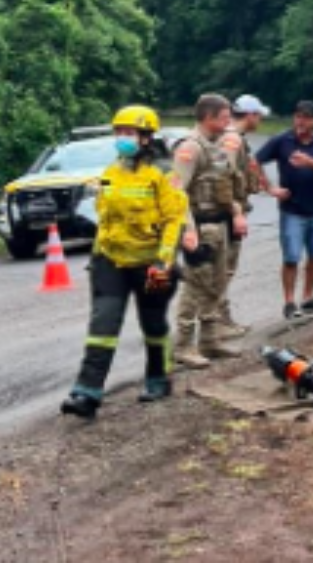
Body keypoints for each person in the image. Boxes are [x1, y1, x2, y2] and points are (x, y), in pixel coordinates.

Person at [61, 105, 194, 419]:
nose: (122, 139)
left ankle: (158, 378)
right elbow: (103, 214)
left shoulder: (164, 174)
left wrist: (164, 261)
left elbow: (174, 219)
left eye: (129, 133)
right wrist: (96, 254)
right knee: (102, 324)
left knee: (153, 324)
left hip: (150, 263)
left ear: (146, 137)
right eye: (118, 133)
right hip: (110, 260)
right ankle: (87, 392)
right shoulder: (110, 173)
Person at [172, 94, 248, 369]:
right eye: (225, 117)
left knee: (216, 285)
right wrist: (188, 231)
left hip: (219, 224)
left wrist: (237, 213)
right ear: (208, 117)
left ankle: (209, 341)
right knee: (195, 285)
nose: (229, 122)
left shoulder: (217, 146)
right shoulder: (190, 148)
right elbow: (176, 192)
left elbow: (225, 185)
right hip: (200, 226)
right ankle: (182, 346)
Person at [255, 101, 313, 320]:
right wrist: (269, 187)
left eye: (306, 117)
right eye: (298, 116)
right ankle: (289, 302)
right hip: (292, 209)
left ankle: (309, 297)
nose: (301, 121)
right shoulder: (282, 140)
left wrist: (309, 161)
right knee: (291, 257)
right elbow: (255, 160)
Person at [214, 93, 269, 337]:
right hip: (226, 212)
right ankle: (216, 322)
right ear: (250, 115)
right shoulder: (232, 140)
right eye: (259, 115)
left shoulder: (235, 138)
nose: (261, 121)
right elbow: (223, 176)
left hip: (230, 209)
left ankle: (221, 319)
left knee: (224, 269)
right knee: (222, 269)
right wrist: (235, 211)